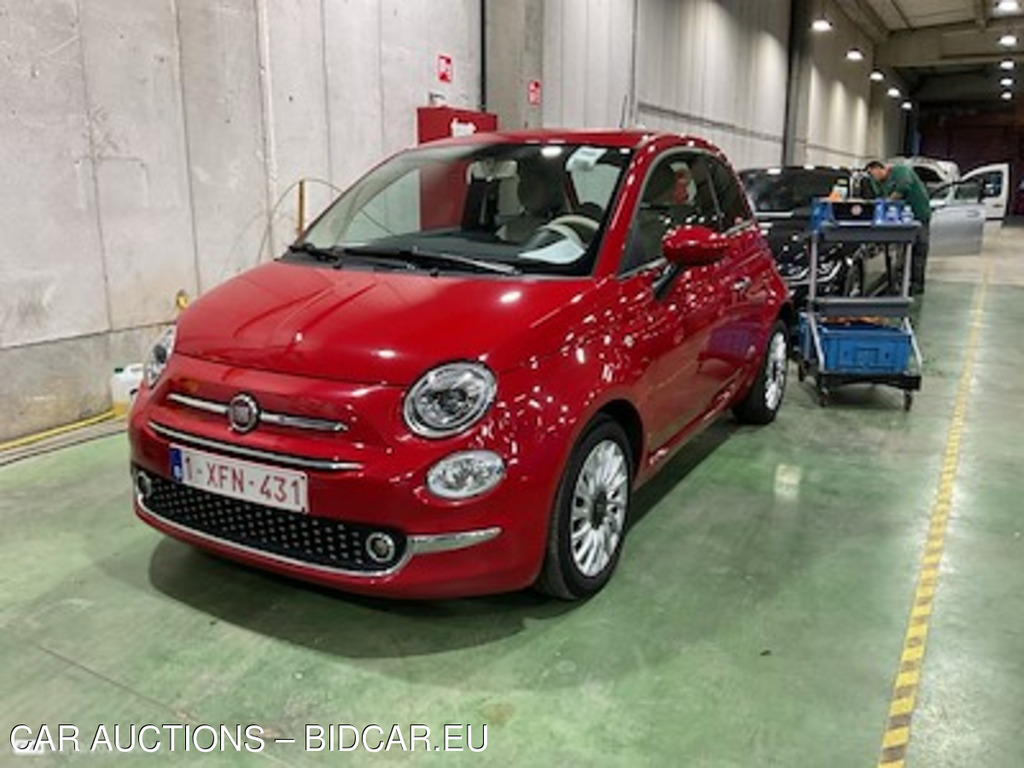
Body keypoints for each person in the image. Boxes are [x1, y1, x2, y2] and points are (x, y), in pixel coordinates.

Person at [865, 160, 932, 295]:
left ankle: (917, 285)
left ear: (880, 168)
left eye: (874, 173)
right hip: (900, 220)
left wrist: (888, 202)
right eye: (871, 175)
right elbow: (878, 196)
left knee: (918, 250)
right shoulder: (877, 181)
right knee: (902, 252)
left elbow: (902, 188)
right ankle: (900, 282)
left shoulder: (901, 171)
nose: (873, 177)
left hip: (918, 215)